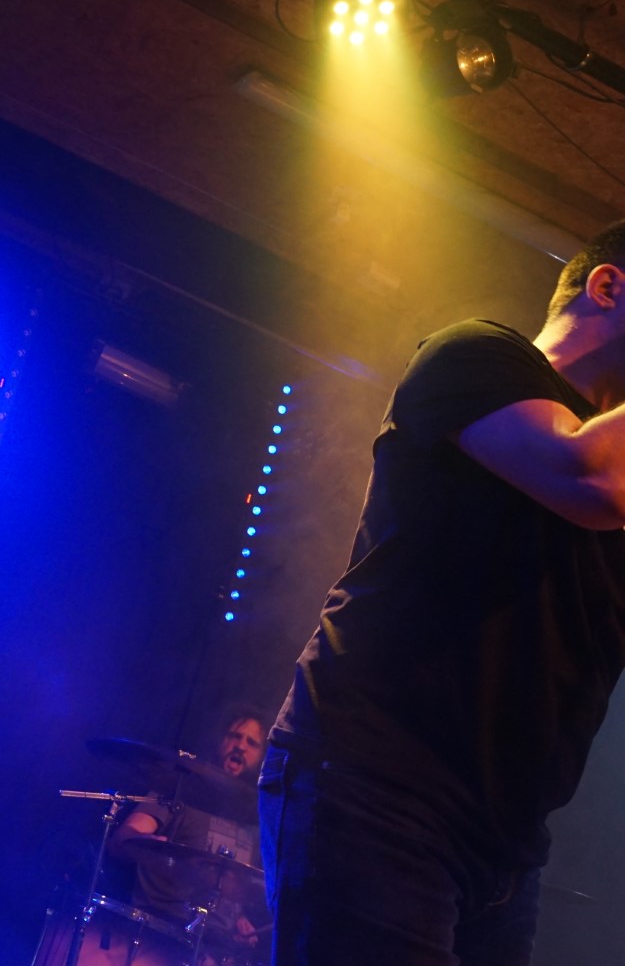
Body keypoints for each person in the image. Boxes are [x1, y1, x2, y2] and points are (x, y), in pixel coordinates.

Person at [261, 221, 625, 965]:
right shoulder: (474, 355)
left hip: (506, 847)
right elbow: (584, 475)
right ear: (608, 286)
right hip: (377, 786)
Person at [104, 711, 269, 965]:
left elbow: (231, 885)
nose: (241, 746)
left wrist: (238, 919)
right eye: (235, 736)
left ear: (261, 757)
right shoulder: (180, 790)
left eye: (252, 742)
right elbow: (122, 839)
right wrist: (146, 845)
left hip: (215, 948)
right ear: (220, 740)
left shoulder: (255, 821)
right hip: (158, 934)